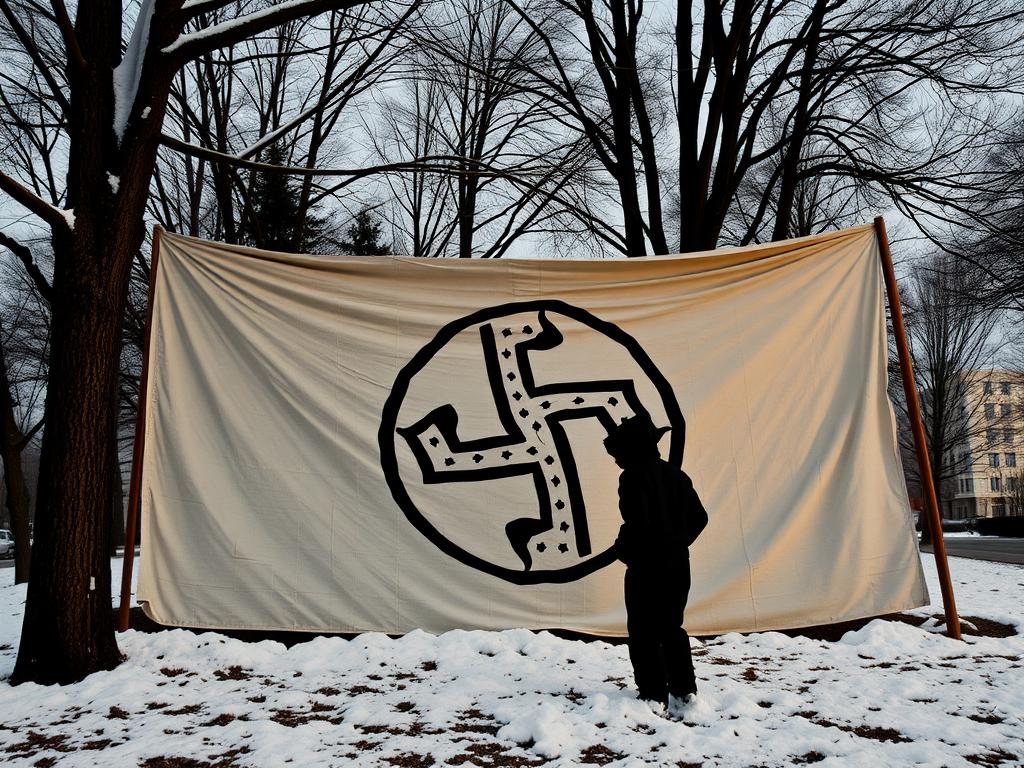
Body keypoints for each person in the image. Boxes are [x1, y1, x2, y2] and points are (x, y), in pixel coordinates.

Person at [603, 413, 708, 714]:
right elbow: (700, 518)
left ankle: (652, 693)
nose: (615, 461)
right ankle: (684, 690)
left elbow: (637, 523)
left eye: (618, 454)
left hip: (646, 567)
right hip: (677, 565)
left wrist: (625, 548)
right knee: (672, 627)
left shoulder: (632, 477)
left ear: (631, 449)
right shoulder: (676, 475)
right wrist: (677, 543)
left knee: (642, 630)